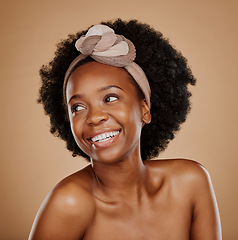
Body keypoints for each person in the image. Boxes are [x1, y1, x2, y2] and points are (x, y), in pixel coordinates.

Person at [29, 19, 222, 240]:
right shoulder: (69, 203)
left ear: (145, 110)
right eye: (78, 107)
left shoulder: (191, 182)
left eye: (110, 98)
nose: (94, 117)